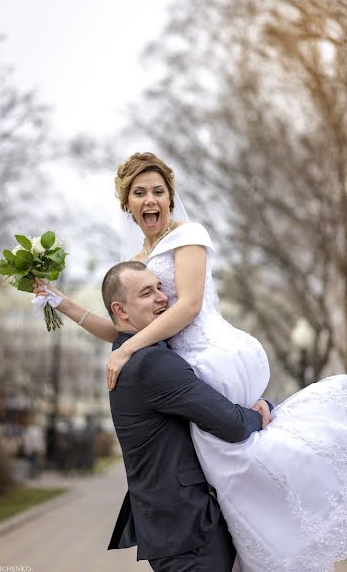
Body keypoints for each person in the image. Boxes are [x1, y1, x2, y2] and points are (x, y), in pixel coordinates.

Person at [34, 152, 347, 571]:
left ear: (170, 197)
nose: (150, 200)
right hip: (177, 365)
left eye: (158, 192)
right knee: (231, 469)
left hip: (211, 354)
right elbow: (120, 325)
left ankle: (305, 511)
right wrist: (62, 302)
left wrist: (128, 350)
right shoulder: (138, 262)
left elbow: (189, 306)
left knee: (242, 443)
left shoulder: (189, 235)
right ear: (127, 203)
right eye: (140, 192)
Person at [104, 260, 269, 571]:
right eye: (146, 293)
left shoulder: (131, 356)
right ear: (121, 311)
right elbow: (231, 424)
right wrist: (261, 411)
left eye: (160, 288)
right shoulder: (152, 364)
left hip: (174, 531)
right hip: (188, 533)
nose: (162, 298)